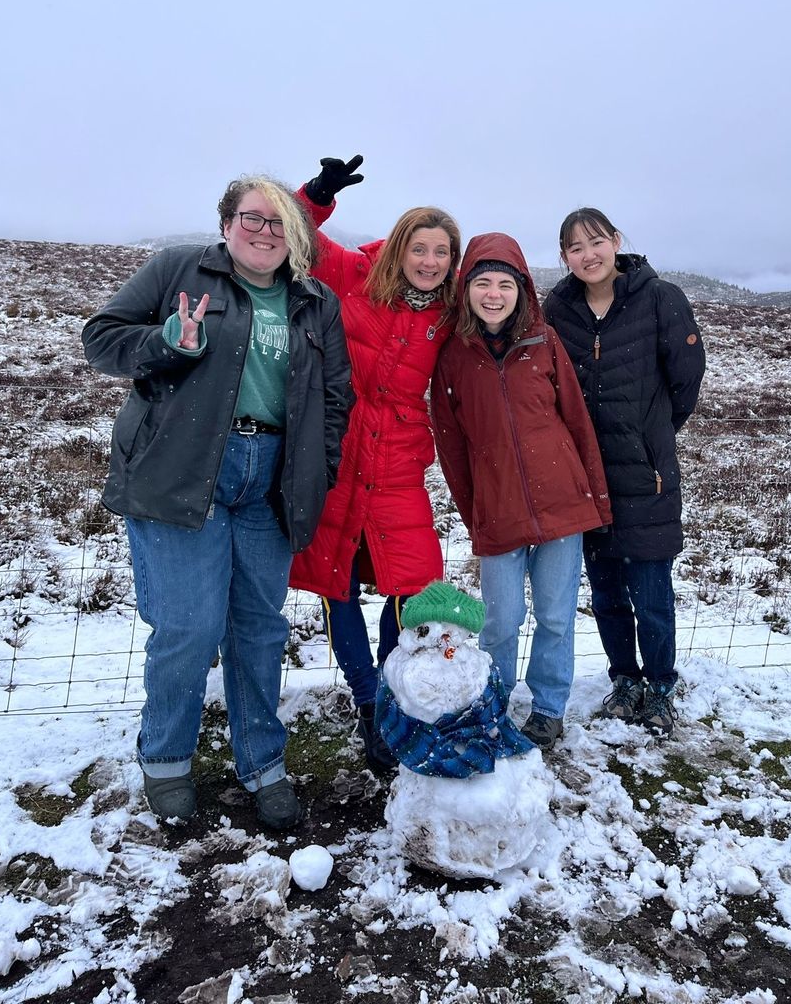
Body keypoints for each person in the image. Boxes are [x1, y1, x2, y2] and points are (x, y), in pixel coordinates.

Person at [82, 175, 353, 827]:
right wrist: (168, 345)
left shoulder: (315, 301)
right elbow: (103, 338)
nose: (265, 231)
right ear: (227, 222)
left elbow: (336, 395)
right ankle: (166, 758)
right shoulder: (179, 269)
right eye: (252, 219)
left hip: (271, 480)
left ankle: (263, 762)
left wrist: (319, 466)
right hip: (183, 470)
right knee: (190, 627)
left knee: (260, 629)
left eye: (279, 221)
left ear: (297, 234)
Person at [289, 156, 462, 772]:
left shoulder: (451, 312)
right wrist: (314, 195)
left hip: (398, 459)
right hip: (337, 447)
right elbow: (296, 238)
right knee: (335, 578)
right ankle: (368, 700)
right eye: (420, 248)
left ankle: (394, 693)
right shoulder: (357, 274)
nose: (430, 261)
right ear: (399, 248)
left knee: (408, 584)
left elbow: (504, 319)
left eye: (442, 252)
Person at [430, 233, 612, 751]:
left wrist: (595, 501)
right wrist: (474, 513)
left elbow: (577, 423)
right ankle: (494, 702)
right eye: (482, 283)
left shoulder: (544, 342)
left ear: (522, 289)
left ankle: (550, 708)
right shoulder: (453, 358)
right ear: (466, 289)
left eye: (504, 283)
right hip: (499, 508)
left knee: (556, 616)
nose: (493, 293)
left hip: (562, 503)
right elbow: (453, 449)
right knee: (501, 620)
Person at [542, 208, 705, 738]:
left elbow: (685, 382)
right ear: (564, 256)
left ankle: (659, 687)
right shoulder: (558, 309)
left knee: (651, 596)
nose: (587, 255)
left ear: (615, 242)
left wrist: (650, 435)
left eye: (595, 242)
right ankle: (625, 680)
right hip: (584, 480)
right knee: (607, 594)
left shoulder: (660, 299)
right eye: (574, 247)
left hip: (645, 476)